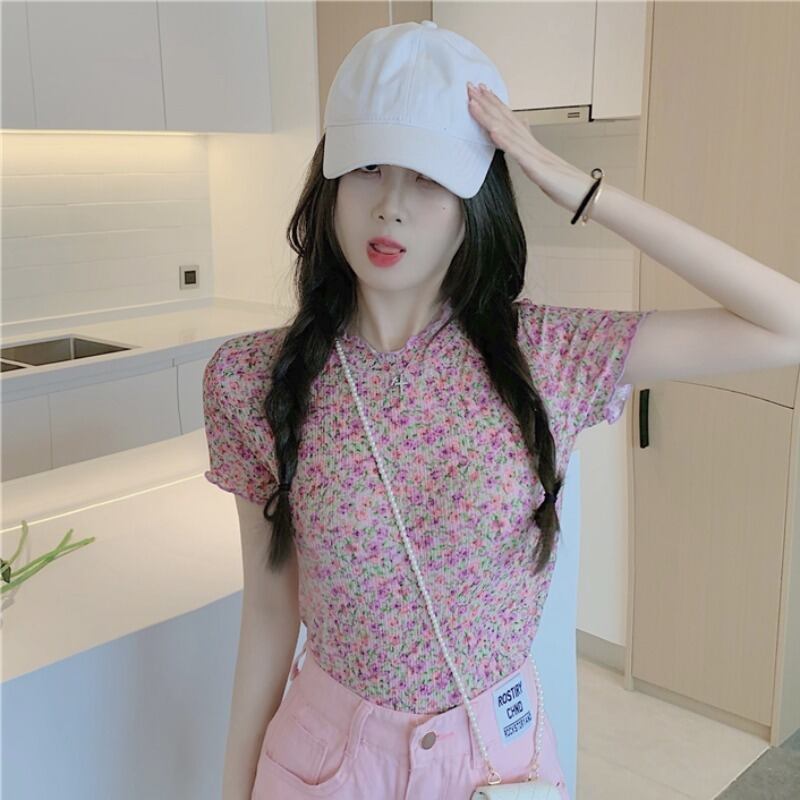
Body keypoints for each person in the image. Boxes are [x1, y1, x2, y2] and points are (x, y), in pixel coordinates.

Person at [203, 17, 800, 800]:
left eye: (429, 177)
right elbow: (269, 613)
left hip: (491, 765)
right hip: (322, 759)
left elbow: (787, 324)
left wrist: (580, 188)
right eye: (369, 168)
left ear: (475, 200)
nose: (390, 207)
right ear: (330, 182)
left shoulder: (547, 353)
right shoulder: (252, 378)